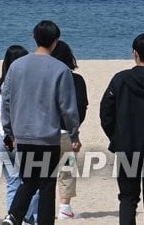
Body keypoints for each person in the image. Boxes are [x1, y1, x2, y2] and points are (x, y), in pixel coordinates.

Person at [1, 21, 81, 225]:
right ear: (55, 42)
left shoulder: (16, 66)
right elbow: (68, 108)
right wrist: (74, 134)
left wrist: (9, 131)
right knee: (46, 184)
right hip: (48, 136)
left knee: (28, 180)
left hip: (23, 134)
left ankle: (13, 216)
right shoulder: (61, 69)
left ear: (33, 37)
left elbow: (6, 101)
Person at [99, 33, 144, 225]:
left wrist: (116, 136)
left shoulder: (121, 79)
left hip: (127, 147)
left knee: (128, 197)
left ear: (135, 53)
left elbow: (106, 113)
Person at [0, 45, 38, 223]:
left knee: (12, 184)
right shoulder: (23, 85)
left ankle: (13, 218)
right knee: (31, 183)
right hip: (20, 138)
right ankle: (26, 218)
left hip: (3, 137)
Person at [50, 40, 88, 220]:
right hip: (67, 132)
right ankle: (64, 207)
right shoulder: (77, 80)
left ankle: (42, 207)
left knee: (42, 171)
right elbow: (81, 107)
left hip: (44, 131)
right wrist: (75, 129)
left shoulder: (45, 77)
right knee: (67, 170)